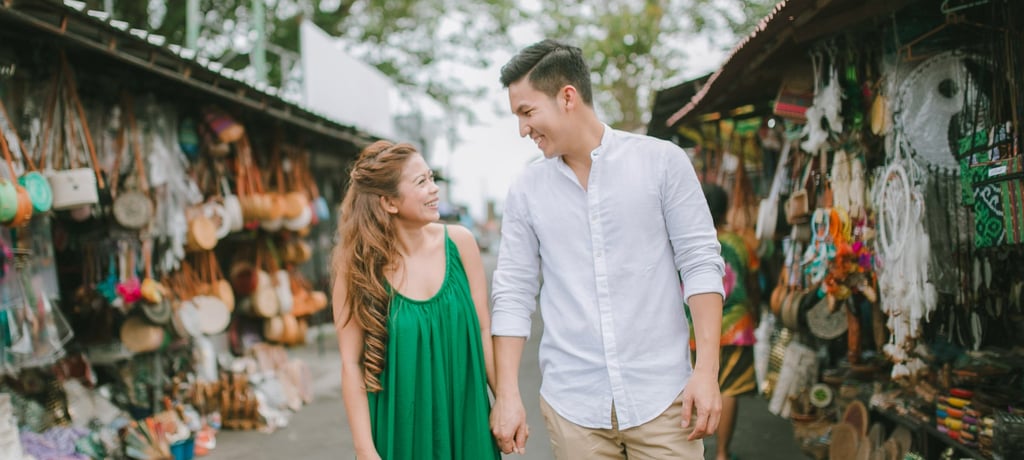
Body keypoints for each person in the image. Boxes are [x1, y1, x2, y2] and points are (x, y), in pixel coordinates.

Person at [490, 39, 726, 459]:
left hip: (665, 400)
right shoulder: (527, 190)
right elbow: (512, 293)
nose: (522, 129)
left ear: (567, 97)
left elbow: (701, 265)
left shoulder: (662, 162)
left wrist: (707, 371)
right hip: (572, 406)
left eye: (527, 113)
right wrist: (507, 396)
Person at [331, 140, 500, 460]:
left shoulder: (460, 243)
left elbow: (482, 331)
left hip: (466, 421)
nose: (435, 189)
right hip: (399, 432)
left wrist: (505, 400)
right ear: (389, 202)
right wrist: (364, 449)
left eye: (432, 177)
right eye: (421, 182)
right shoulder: (356, 268)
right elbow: (351, 365)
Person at [687, 183, 759, 460]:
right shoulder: (738, 242)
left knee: (694, 386)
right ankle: (722, 454)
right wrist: (755, 311)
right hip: (736, 327)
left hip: (696, 328)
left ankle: (697, 451)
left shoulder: (689, 242)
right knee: (729, 389)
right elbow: (752, 281)